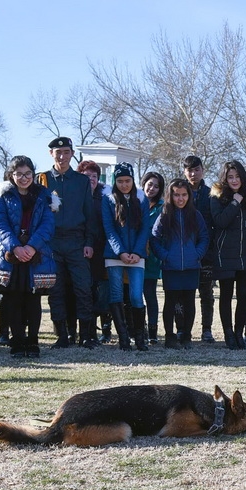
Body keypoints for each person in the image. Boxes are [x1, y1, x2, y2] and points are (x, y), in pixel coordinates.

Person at [0, 156, 57, 358]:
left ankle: (33, 342)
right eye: (19, 174)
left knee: (33, 300)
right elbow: (0, 226)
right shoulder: (3, 199)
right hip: (11, 256)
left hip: (35, 255)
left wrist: (31, 247)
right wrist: (16, 247)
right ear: (12, 175)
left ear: (33, 175)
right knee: (13, 300)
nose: (24, 178)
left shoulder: (44, 198)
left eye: (28, 174)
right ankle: (17, 341)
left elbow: (48, 225)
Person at [38, 136, 99, 349]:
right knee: (56, 291)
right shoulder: (42, 180)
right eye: (58, 152)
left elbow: (89, 214)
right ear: (51, 154)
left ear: (72, 153)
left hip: (76, 241)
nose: (62, 157)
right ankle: (62, 336)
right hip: (51, 243)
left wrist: (89, 242)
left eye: (66, 152)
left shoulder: (82, 181)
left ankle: (85, 336)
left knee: (83, 288)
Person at [210, 160, 246, 349]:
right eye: (230, 177)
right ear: (224, 179)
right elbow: (220, 221)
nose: (234, 180)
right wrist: (235, 202)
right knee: (226, 296)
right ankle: (228, 334)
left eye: (237, 177)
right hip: (224, 255)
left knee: (245, 297)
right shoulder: (217, 197)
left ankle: (239, 333)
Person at [151, 178, 208, 349]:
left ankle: (187, 336)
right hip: (171, 267)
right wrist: (165, 256)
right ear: (171, 195)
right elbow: (154, 238)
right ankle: (170, 336)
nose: (180, 199)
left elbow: (204, 237)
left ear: (189, 196)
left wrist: (197, 254)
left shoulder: (195, 215)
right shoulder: (165, 215)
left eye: (184, 195)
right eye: (176, 195)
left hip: (191, 267)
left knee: (190, 302)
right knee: (170, 303)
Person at [102, 162, 153, 352]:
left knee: (136, 296)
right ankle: (124, 339)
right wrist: (121, 252)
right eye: (120, 181)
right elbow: (109, 228)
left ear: (133, 180)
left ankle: (140, 338)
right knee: (116, 294)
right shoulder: (107, 199)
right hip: (114, 254)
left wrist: (137, 252)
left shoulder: (141, 199)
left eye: (128, 180)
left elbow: (145, 228)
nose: (124, 184)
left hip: (137, 255)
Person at [77, 160, 112, 344]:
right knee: (85, 291)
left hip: (101, 250)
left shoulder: (105, 197)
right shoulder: (75, 195)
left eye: (94, 176)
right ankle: (87, 330)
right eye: (86, 175)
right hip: (79, 249)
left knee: (102, 292)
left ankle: (106, 328)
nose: (90, 179)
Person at [184, 156, 217, 343]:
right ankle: (184, 329)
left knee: (206, 293)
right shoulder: (179, 191)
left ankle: (207, 329)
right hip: (183, 251)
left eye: (196, 169)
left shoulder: (211, 194)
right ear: (184, 171)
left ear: (203, 170)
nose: (193, 173)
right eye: (189, 170)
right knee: (185, 293)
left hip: (206, 252)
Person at [141, 171, 166, 344]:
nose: (152, 189)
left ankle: (152, 331)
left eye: (156, 186)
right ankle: (137, 328)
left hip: (151, 257)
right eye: (150, 184)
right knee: (134, 295)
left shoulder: (163, 207)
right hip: (134, 254)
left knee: (149, 294)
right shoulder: (135, 202)